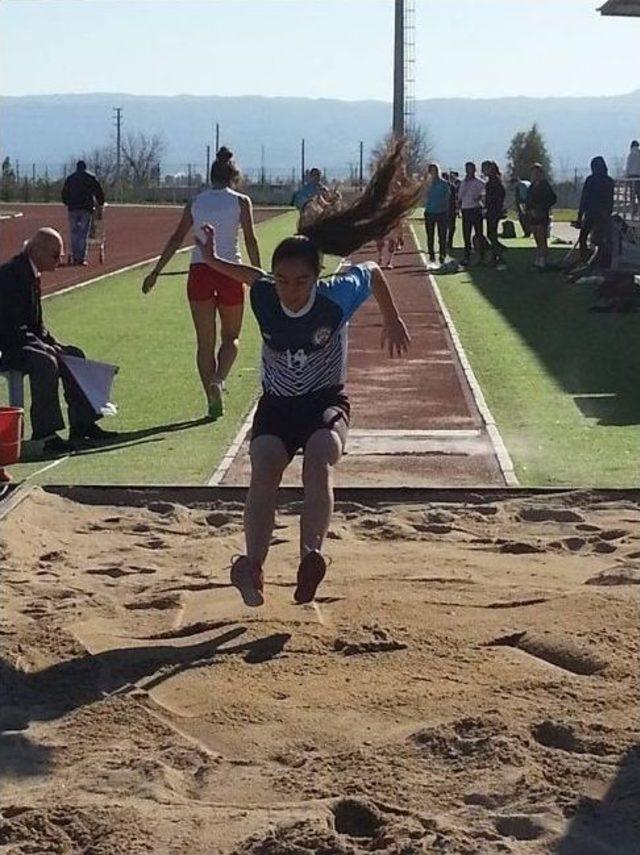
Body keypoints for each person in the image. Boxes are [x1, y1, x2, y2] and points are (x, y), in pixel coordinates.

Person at [194, 142, 418, 607]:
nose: (291, 292)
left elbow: (373, 270)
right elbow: (245, 273)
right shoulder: (265, 294)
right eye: (284, 281)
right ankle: (251, 565)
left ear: (318, 277)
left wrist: (392, 317)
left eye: (301, 282)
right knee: (265, 469)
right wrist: (212, 257)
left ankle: (311, 557)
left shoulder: (336, 297)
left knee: (319, 460)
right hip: (276, 407)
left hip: (323, 404)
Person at [142, 147, 261, 419]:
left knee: (204, 343)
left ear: (212, 175)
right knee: (231, 337)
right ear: (234, 176)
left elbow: (176, 238)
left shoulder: (195, 202)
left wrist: (156, 271)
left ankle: (211, 400)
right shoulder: (241, 201)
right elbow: (251, 240)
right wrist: (257, 274)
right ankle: (219, 380)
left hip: (200, 271)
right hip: (231, 270)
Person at [0, 229, 116, 456]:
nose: (59, 260)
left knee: (73, 354)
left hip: (23, 340)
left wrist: (54, 343)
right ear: (36, 250)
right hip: (8, 344)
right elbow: (11, 326)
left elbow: (36, 324)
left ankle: (82, 424)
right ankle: (45, 434)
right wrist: (44, 346)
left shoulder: (31, 272)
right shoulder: (11, 275)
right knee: (45, 361)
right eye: (55, 255)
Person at [61, 160, 105, 266]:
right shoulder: (90, 178)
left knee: (74, 232)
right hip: (86, 209)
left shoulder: (70, 179)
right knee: (83, 233)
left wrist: (68, 203)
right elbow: (99, 192)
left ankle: (75, 254)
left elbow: (64, 193)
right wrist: (101, 203)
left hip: (73, 209)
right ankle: (81, 257)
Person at [576, 156, 615, 266]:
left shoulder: (590, 180)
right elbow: (610, 200)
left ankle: (585, 259)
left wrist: (580, 215)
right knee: (600, 239)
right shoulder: (609, 181)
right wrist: (608, 212)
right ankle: (598, 260)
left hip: (592, 213)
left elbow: (584, 199)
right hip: (603, 214)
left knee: (584, 238)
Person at [526, 163, 557, 270]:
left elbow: (552, 199)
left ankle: (543, 260)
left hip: (541, 215)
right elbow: (528, 200)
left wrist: (542, 208)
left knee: (542, 238)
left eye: (537, 172)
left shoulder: (545, 185)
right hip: (532, 216)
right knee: (537, 239)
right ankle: (538, 259)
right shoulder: (531, 186)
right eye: (533, 173)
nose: (535, 175)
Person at [458, 161, 486, 266]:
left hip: (476, 209)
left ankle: (481, 255)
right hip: (466, 210)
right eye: (467, 169)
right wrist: (459, 205)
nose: (468, 171)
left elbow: (485, 193)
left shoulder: (480, 182)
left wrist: (480, 198)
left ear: (474, 170)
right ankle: (467, 256)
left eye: (470, 169)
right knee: (466, 234)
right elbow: (460, 196)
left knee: (479, 233)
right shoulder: (463, 182)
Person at [423, 163, 450, 264]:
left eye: (434, 170)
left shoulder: (444, 184)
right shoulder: (427, 184)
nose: (433, 172)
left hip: (441, 213)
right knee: (430, 235)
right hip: (429, 212)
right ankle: (431, 255)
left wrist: (444, 207)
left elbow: (447, 198)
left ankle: (442, 255)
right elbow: (424, 196)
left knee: (442, 236)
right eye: (431, 170)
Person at [485, 162, 507, 270]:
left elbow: (500, 194)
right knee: (491, 233)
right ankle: (495, 254)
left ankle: (499, 255)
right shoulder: (491, 181)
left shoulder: (495, 181)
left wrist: (497, 206)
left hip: (494, 210)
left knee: (491, 234)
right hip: (491, 210)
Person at [446, 170, 460, 251]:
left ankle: (449, 243)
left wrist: (457, 209)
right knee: (445, 227)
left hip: (452, 210)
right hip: (445, 210)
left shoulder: (453, 187)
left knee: (451, 227)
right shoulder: (444, 186)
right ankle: (445, 242)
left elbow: (456, 199)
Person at [625, 140, 640, 215]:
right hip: (638, 177)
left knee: (632, 195)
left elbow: (628, 167)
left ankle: (633, 211)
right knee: (639, 195)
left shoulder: (630, 155)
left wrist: (626, 176)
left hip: (631, 177)